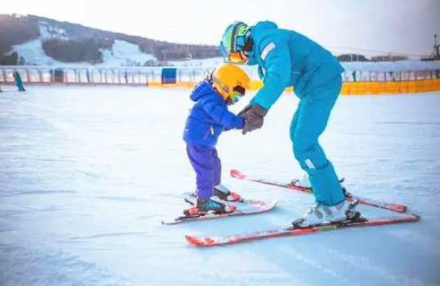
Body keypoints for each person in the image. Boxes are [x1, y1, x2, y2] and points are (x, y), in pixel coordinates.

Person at [220, 21, 356, 225]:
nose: (240, 60)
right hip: (313, 87)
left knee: (304, 142)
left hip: (322, 84)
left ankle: (333, 205)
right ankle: (318, 178)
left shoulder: (267, 41)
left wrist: (258, 108)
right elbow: (274, 76)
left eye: (235, 55)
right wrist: (253, 107)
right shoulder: (263, 45)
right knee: (296, 134)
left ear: (241, 42)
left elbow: (279, 75)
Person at [183, 63, 250, 216]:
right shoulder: (210, 99)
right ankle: (204, 200)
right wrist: (239, 122)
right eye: (236, 94)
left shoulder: (216, 99)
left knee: (215, 164)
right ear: (224, 86)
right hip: (198, 141)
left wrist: (235, 123)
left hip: (205, 141)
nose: (236, 99)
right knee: (205, 170)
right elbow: (221, 116)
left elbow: (220, 122)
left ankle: (215, 187)